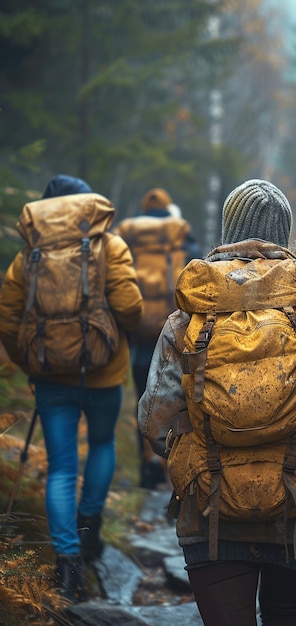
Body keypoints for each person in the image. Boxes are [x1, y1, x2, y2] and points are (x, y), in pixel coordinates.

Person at [138, 179, 296, 626]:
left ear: (228, 229)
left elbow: (156, 422)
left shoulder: (188, 314)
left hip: (211, 507)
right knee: (286, 615)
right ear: (284, 234)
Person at [0, 175, 143, 603]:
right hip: (103, 371)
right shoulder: (110, 246)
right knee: (101, 445)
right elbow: (132, 309)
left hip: (49, 376)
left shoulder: (28, 257)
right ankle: (90, 529)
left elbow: (7, 318)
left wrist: (32, 361)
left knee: (61, 468)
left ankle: (67, 568)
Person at [115, 187, 202, 489]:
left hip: (137, 333)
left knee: (144, 398)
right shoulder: (182, 238)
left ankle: (146, 464)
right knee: (179, 402)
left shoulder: (128, 239)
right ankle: (173, 467)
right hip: (176, 333)